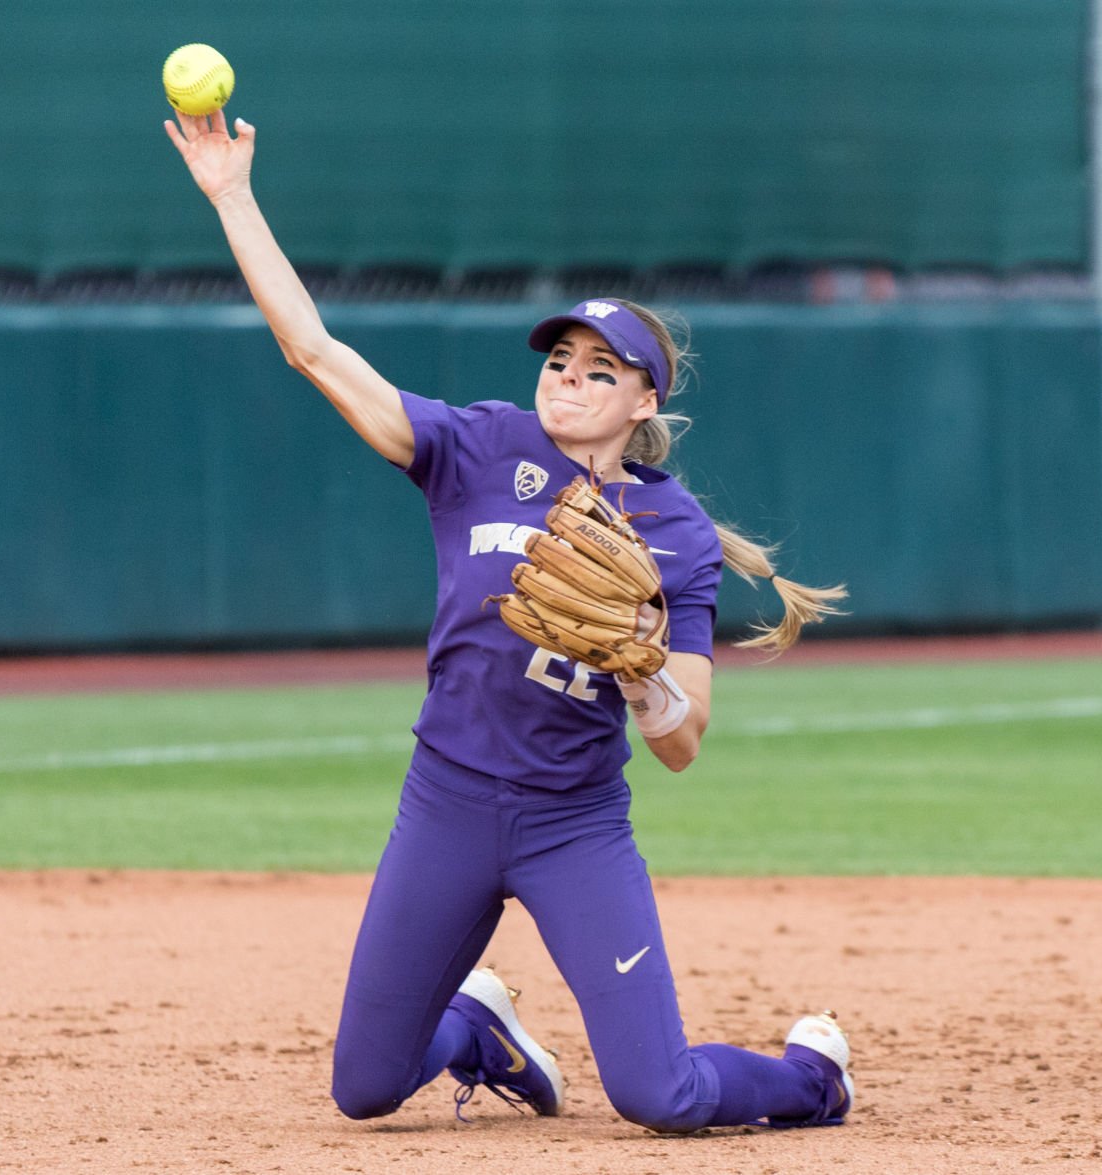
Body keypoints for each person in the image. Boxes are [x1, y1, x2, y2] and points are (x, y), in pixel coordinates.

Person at [166, 106, 851, 1133]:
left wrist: (638, 670)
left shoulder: (674, 533)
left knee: (656, 1095)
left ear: (640, 403)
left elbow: (680, 742)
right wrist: (231, 195)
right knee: (363, 1088)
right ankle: (479, 1031)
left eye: (597, 370)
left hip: (572, 822)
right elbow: (311, 349)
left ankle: (810, 1078)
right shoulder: (478, 447)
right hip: (443, 800)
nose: (567, 380)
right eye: (558, 360)